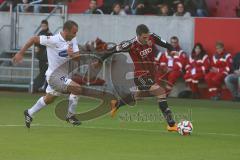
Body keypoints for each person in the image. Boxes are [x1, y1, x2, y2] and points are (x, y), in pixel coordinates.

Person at [102, 24, 178, 132]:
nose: (147, 39)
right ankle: (171, 124)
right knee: (161, 92)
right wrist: (100, 58)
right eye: (144, 38)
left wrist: (171, 48)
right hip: (140, 76)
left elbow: (163, 42)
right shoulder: (130, 44)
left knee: (137, 96)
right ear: (138, 36)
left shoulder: (151, 36)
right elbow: (113, 49)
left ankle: (117, 104)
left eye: (147, 37)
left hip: (150, 74)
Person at [12, 20, 83, 128]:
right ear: (66, 31)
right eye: (74, 32)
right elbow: (33, 39)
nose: (75, 35)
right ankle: (70, 116)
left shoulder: (72, 39)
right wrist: (21, 53)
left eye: (76, 32)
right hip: (54, 75)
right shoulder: (53, 39)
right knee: (77, 88)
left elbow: (78, 58)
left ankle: (29, 112)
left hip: (63, 76)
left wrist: (72, 55)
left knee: (49, 99)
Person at [33, 20, 52, 92]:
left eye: (44, 26)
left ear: (47, 26)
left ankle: (38, 86)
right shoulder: (41, 33)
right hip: (42, 57)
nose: (43, 27)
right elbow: (36, 43)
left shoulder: (49, 34)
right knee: (44, 72)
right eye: (42, 26)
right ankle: (37, 86)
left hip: (46, 57)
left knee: (45, 73)